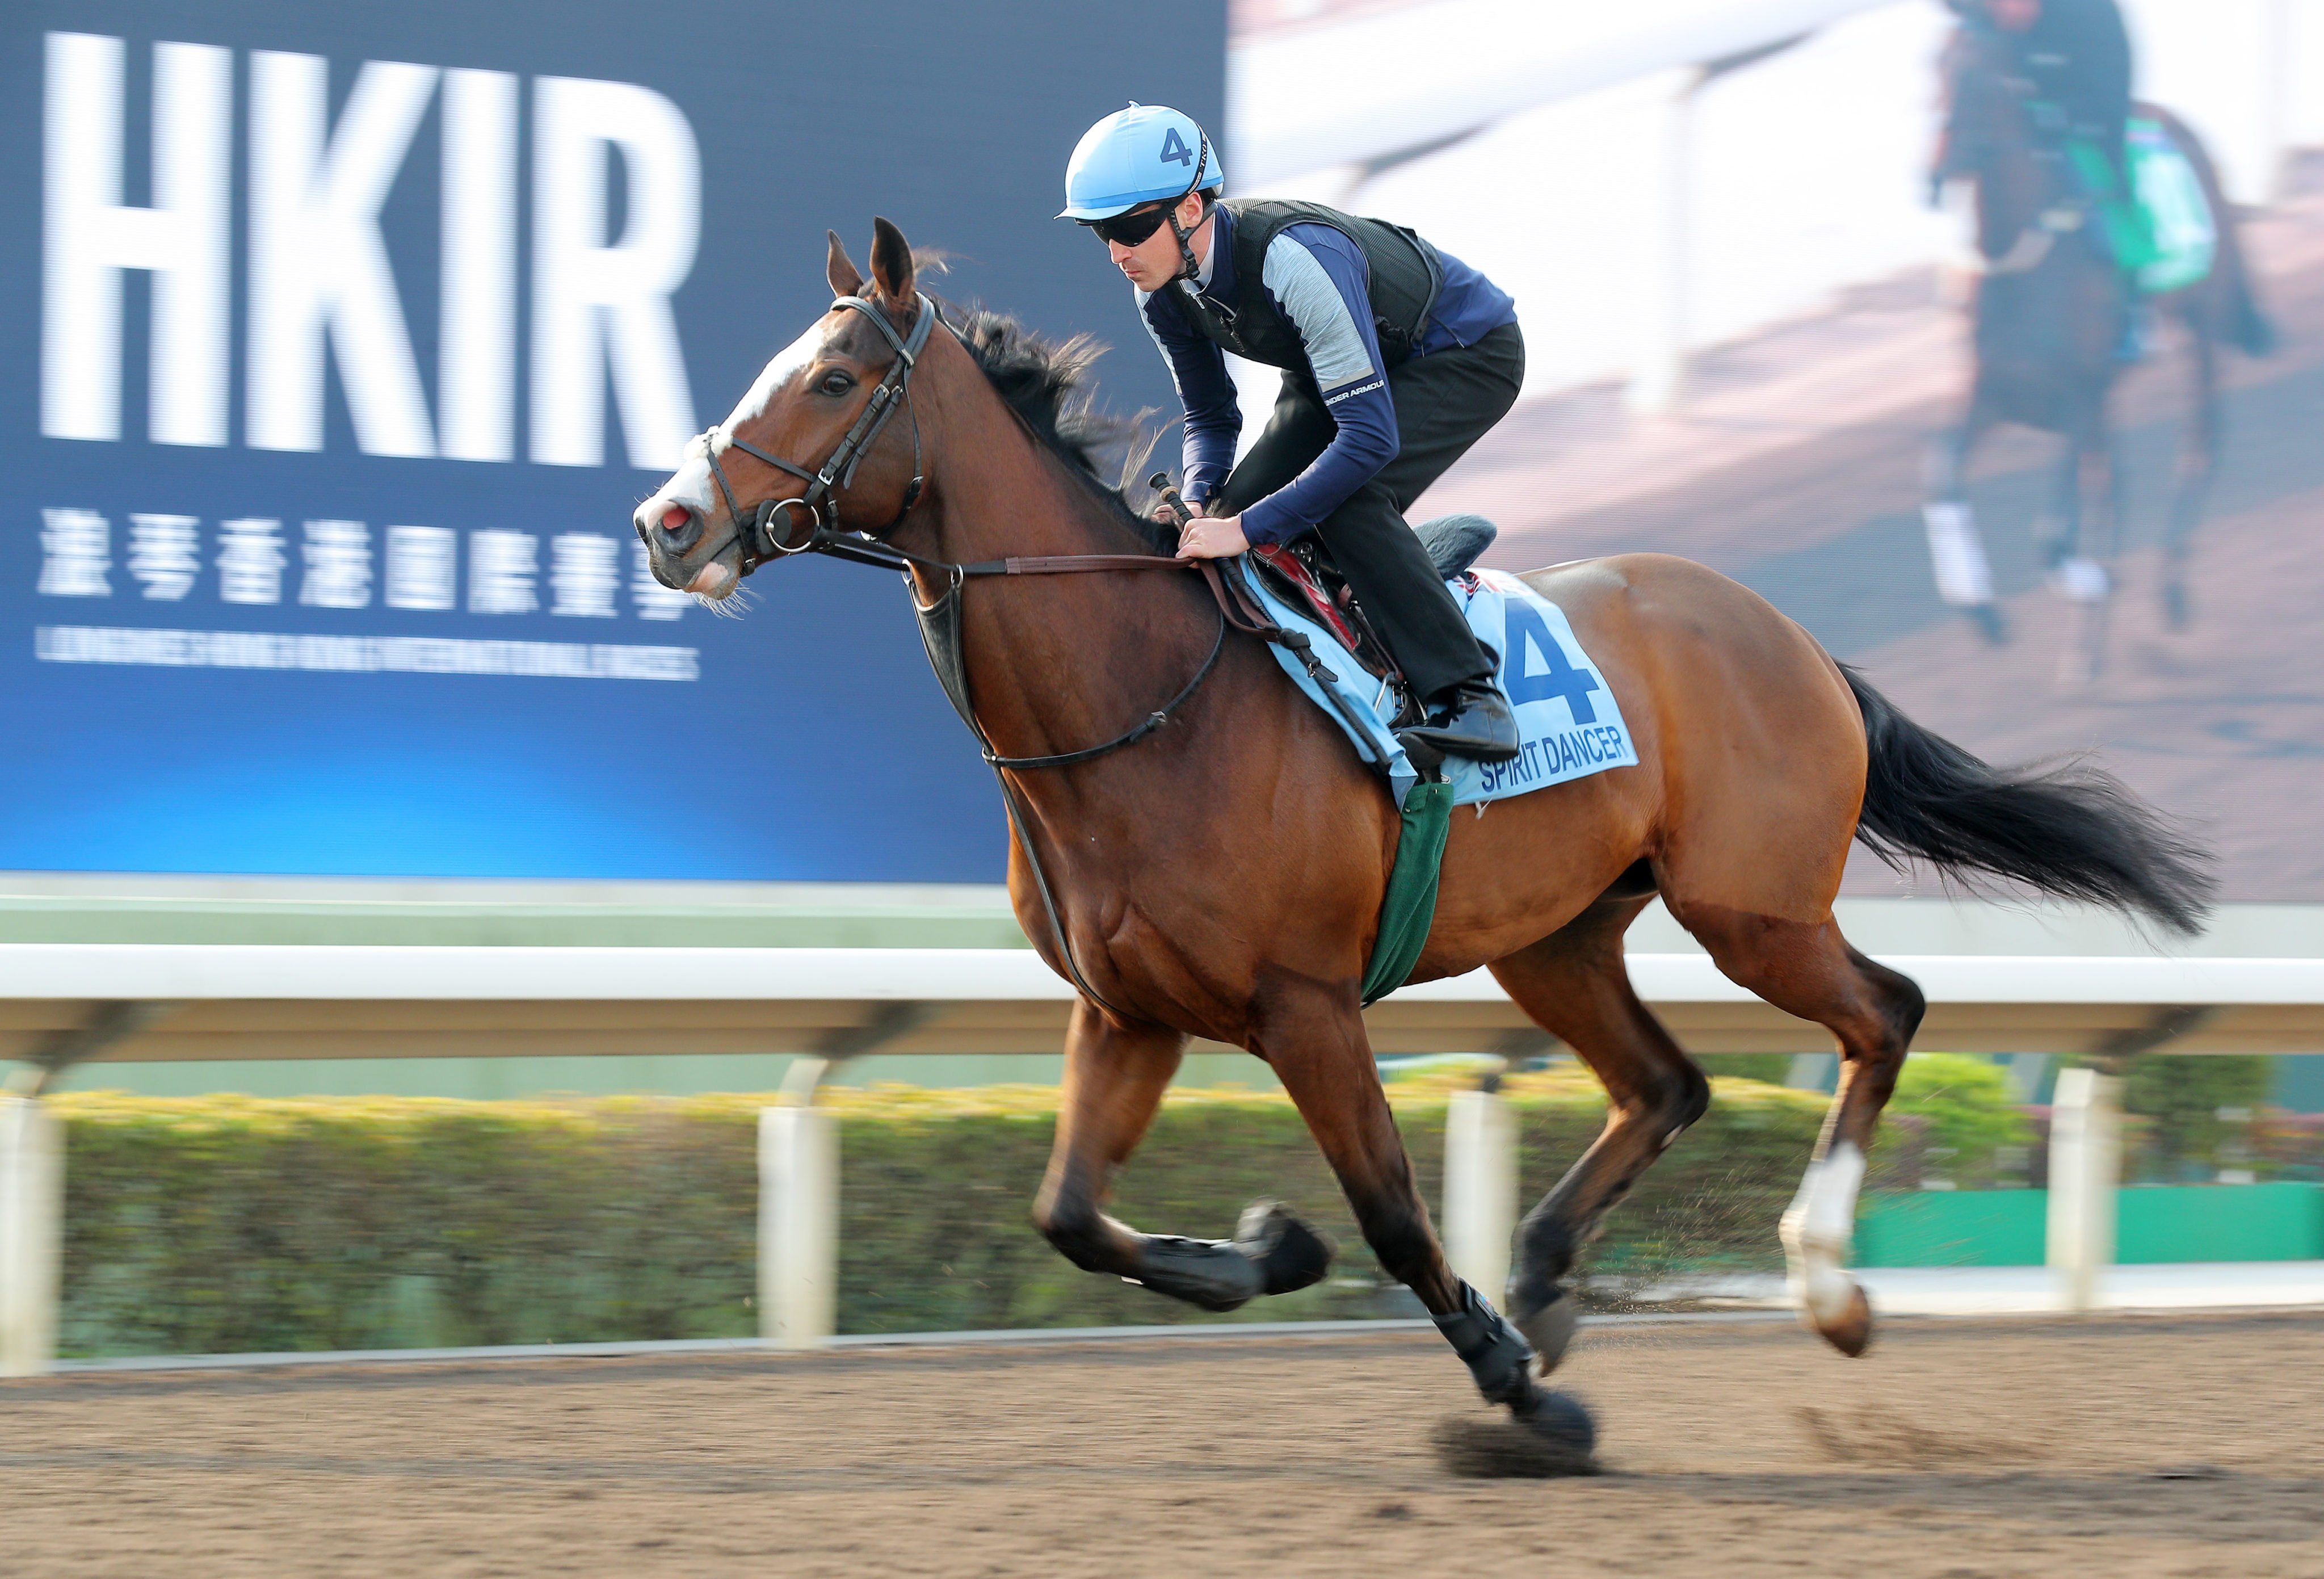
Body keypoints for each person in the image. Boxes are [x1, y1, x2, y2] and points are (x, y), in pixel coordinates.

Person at [1059, 104, 1524, 766]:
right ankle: (1368, 582)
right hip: (1332, 373)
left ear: (1191, 208)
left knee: (1346, 498)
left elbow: (1368, 442)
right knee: (1218, 522)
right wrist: (1200, 500)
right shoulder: (1159, 287)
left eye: (1129, 228)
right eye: (1100, 231)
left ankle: (1473, 695)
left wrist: (1248, 530)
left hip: (1461, 353)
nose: (1116, 253)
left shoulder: (1293, 258)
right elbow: (1212, 417)